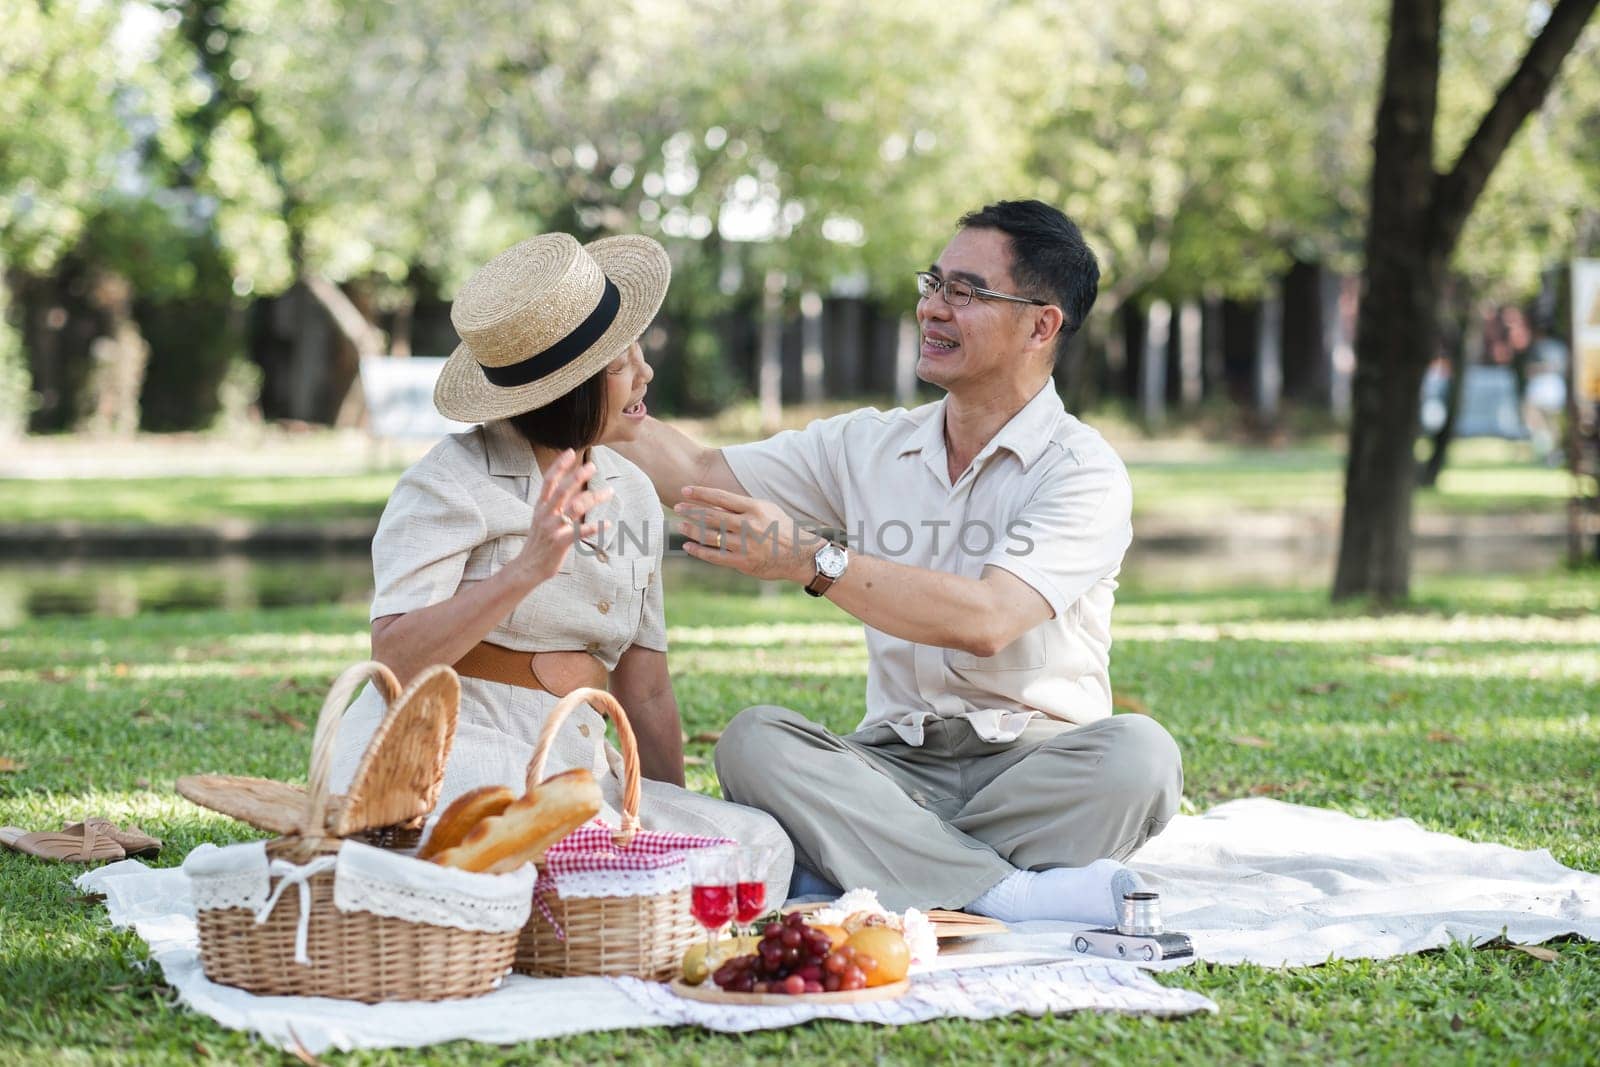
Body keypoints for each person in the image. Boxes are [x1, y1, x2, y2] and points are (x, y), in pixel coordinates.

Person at [613, 200, 1182, 922]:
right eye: (933, 283)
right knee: (755, 741)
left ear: (1042, 325)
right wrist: (583, 386)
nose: (932, 309)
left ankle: (856, 866)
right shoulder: (868, 445)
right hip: (894, 767)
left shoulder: (1082, 471)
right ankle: (1003, 892)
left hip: (1038, 770)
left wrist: (812, 561)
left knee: (1142, 759)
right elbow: (698, 467)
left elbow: (989, 618)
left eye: (965, 293)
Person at [330, 233, 792, 903]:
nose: (646, 375)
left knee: (755, 849)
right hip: (453, 760)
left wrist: (663, 814)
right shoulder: (447, 485)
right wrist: (526, 568)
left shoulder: (633, 489)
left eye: (640, 351)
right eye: (622, 362)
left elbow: (648, 687)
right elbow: (394, 661)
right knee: (593, 867)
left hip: (577, 769)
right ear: (567, 387)